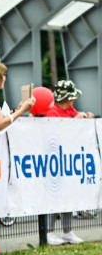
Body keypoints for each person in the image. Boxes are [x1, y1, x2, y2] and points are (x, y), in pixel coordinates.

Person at [45, 80, 94, 245]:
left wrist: (85, 117)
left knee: (68, 194)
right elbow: (55, 134)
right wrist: (75, 121)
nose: (73, 101)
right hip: (54, 160)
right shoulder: (52, 112)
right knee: (52, 196)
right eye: (71, 98)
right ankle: (49, 232)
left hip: (69, 160)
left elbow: (76, 115)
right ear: (66, 98)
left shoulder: (69, 108)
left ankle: (67, 231)